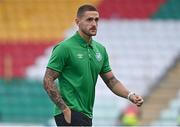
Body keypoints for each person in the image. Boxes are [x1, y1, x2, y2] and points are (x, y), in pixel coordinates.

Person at [43, 4, 144, 126]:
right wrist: (64, 109)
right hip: (70, 113)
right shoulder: (64, 48)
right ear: (77, 22)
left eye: (96, 20)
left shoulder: (100, 50)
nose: (94, 24)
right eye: (89, 19)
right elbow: (48, 80)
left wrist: (130, 95)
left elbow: (111, 81)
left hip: (86, 114)